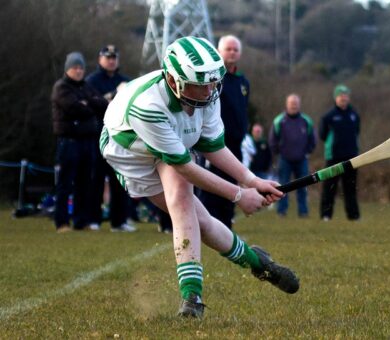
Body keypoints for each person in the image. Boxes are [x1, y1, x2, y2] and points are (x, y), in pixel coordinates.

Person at [100, 36, 299, 318]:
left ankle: (195, 296)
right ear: (174, 81)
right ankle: (254, 262)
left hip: (171, 148)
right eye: (200, 85)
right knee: (187, 203)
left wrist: (253, 180)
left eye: (211, 83)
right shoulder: (148, 106)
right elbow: (185, 166)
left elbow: (213, 147)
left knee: (197, 217)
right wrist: (239, 195)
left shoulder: (207, 93)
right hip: (131, 153)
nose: (208, 91)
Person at [51, 52, 107, 233]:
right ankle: (62, 222)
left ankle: (81, 220)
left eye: (81, 67)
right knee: (65, 183)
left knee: (85, 183)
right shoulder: (61, 87)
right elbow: (74, 108)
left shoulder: (86, 87)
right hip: (69, 142)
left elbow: (103, 105)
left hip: (88, 142)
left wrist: (87, 103)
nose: (78, 71)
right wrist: (90, 105)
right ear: (68, 69)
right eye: (75, 67)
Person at [200, 35, 250, 229]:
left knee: (233, 181)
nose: (232, 52)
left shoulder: (243, 81)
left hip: (236, 142)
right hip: (215, 142)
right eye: (228, 49)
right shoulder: (213, 79)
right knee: (212, 181)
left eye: (235, 49)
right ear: (219, 52)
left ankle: (227, 222)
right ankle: (209, 222)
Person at [86, 44, 136, 232]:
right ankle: (94, 219)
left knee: (120, 180)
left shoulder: (126, 81)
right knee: (96, 180)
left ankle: (119, 221)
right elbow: (94, 104)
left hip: (120, 136)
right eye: (108, 57)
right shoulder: (91, 80)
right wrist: (114, 96)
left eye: (114, 57)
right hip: (98, 136)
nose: (111, 60)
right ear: (100, 59)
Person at [318, 85, 360, 221]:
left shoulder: (354, 115)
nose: (343, 98)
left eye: (346, 95)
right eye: (341, 95)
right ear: (336, 97)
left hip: (351, 157)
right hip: (333, 157)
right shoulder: (328, 117)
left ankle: (354, 216)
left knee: (350, 188)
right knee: (329, 188)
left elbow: (357, 132)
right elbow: (322, 135)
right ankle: (326, 215)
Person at [270, 94, 315, 217]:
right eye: (291, 103)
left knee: (303, 187)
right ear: (287, 104)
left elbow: (312, 139)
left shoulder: (306, 121)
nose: (293, 105)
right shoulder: (279, 120)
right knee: (282, 187)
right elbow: (273, 140)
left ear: (299, 105)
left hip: (302, 160)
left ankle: (303, 212)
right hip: (284, 160)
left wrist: (307, 151)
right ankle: (282, 211)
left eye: (295, 103)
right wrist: (278, 153)